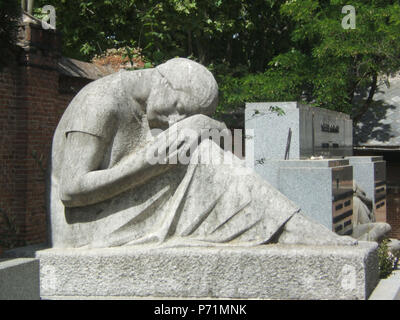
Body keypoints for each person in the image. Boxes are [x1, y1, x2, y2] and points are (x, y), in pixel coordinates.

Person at [49, 58, 356, 248]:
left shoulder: (153, 106)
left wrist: (205, 125)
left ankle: (294, 229)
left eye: (183, 116)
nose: (175, 121)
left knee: (203, 148)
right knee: (201, 156)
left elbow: (234, 146)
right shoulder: (99, 104)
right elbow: (72, 190)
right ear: (166, 84)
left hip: (123, 206)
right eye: (180, 110)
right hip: (88, 226)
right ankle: (290, 231)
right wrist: (153, 162)